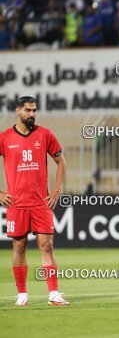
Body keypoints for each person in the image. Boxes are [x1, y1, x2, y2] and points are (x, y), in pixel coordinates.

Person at [0, 96, 68, 306]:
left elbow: (61, 162)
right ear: (18, 111)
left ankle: (54, 294)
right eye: (28, 110)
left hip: (41, 203)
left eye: (34, 110)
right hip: (16, 203)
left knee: (46, 246)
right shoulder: (4, 138)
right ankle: (22, 295)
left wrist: (57, 190)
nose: (32, 114)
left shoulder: (45, 134)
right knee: (19, 247)